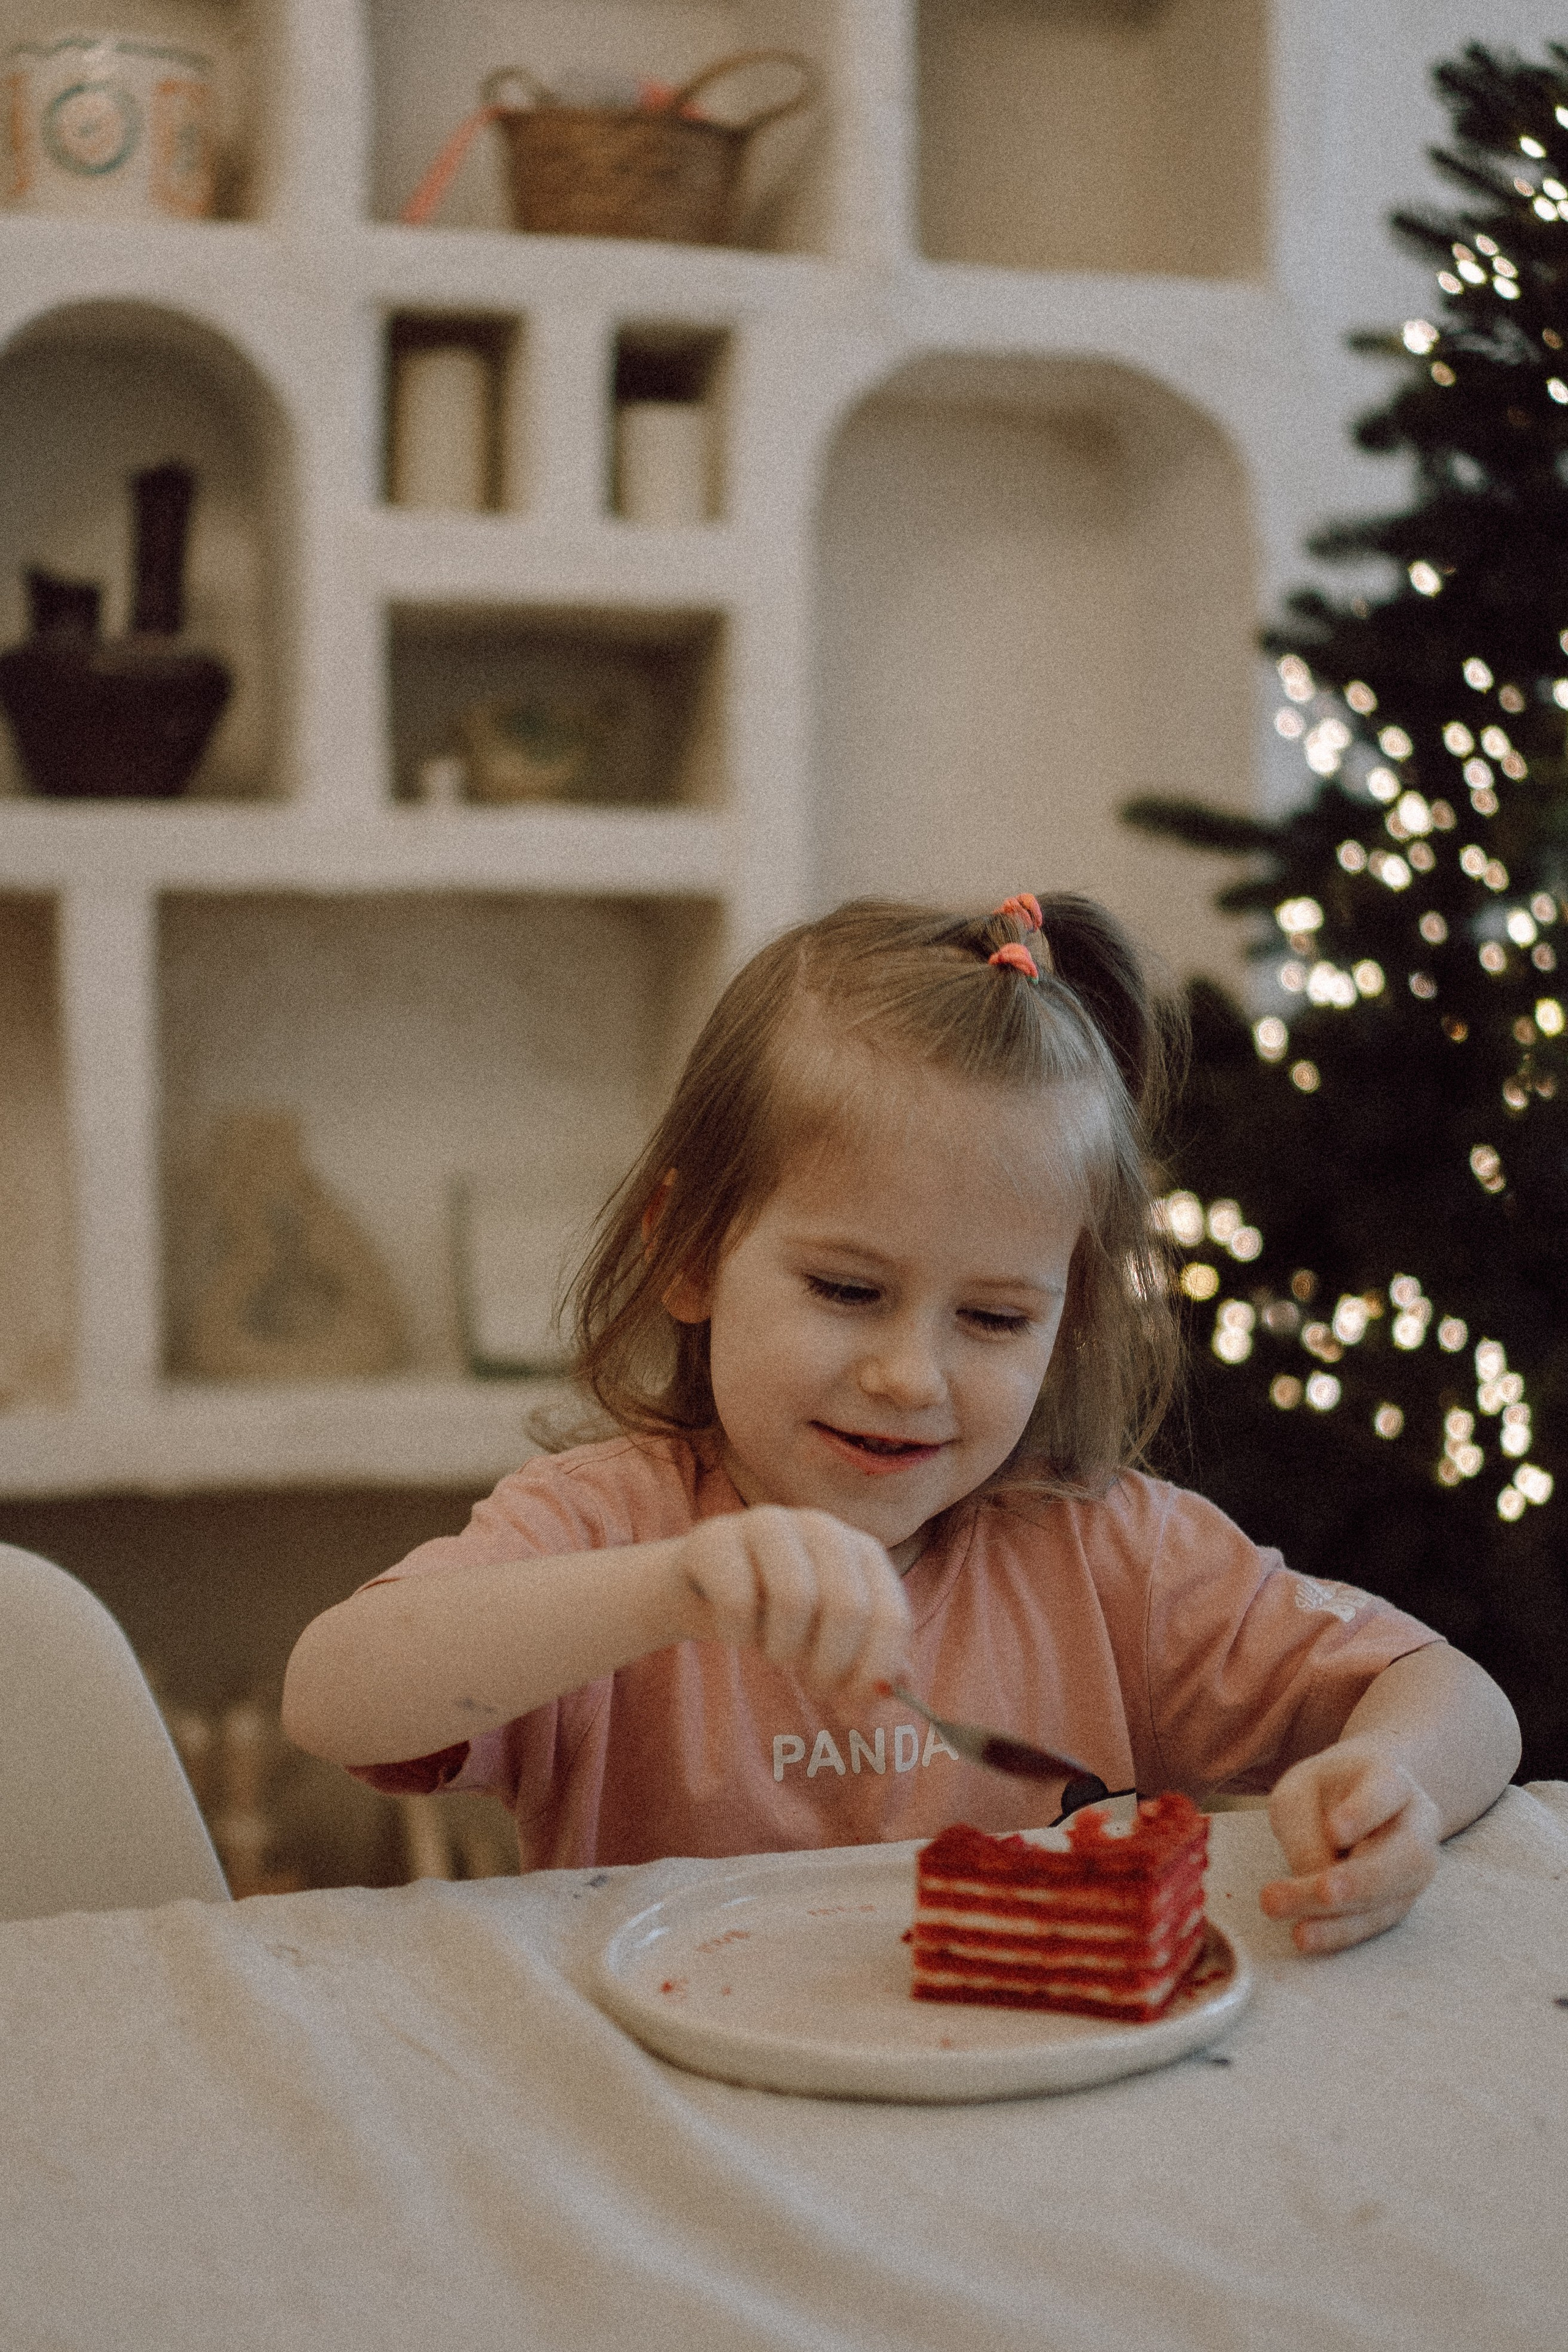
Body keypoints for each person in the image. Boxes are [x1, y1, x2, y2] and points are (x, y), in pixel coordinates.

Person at [283, 894, 1520, 1951]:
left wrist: (1390, 1784)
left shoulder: (1112, 1560)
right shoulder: (614, 1527)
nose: (906, 1375)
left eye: (989, 1319)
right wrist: (666, 1593)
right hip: (683, 2130)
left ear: (1066, 1319)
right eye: (846, 1291)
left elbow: (1452, 1692)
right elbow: (335, 1696)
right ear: (692, 1254)